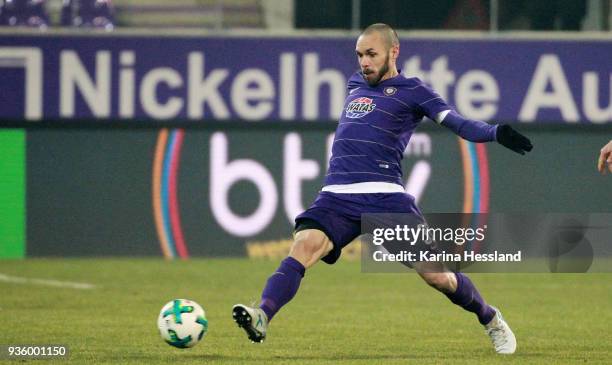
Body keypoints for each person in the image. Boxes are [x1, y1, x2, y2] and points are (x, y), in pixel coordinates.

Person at [232, 23, 533, 355]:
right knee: (303, 247)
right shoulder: (355, 84)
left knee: (438, 277)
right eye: (360, 55)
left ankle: (490, 318)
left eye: (371, 54)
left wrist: (495, 132)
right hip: (337, 194)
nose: (364, 62)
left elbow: (458, 123)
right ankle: (263, 314)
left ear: (394, 51)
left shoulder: (414, 91)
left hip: (386, 196)